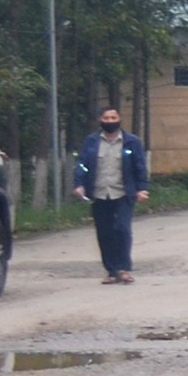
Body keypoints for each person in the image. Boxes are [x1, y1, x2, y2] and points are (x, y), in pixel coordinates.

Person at [73, 106, 145, 284]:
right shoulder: (91, 142)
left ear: (119, 119)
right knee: (104, 233)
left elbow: (140, 166)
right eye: (107, 118)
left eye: (114, 118)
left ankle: (124, 268)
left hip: (123, 193)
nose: (111, 121)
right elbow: (82, 164)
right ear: (100, 120)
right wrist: (79, 184)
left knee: (122, 229)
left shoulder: (131, 142)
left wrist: (142, 188)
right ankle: (111, 271)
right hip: (99, 193)